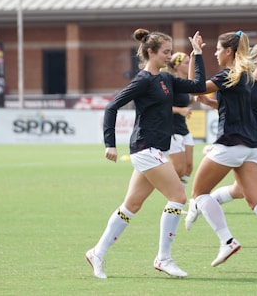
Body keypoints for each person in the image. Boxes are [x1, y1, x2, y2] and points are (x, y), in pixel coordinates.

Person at [85, 29, 206, 279]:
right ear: (151, 52)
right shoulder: (142, 80)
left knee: (132, 205)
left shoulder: (166, 79)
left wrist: (198, 54)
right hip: (145, 148)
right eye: (166, 52)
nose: (169, 56)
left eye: (171, 51)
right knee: (177, 197)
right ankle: (163, 258)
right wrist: (110, 144)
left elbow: (198, 86)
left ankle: (97, 252)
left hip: (155, 149)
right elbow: (111, 107)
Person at [185, 31, 257, 274]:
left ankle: (227, 241)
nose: (214, 53)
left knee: (199, 194)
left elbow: (195, 86)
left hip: (231, 144)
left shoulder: (228, 75)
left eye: (217, 49)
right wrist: (196, 60)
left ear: (228, 52)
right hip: (251, 147)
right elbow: (208, 96)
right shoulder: (246, 76)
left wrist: (196, 54)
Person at [165, 52, 195, 188]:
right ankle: (173, 200)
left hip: (183, 128)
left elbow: (184, 102)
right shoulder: (171, 82)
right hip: (172, 129)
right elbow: (161, 107)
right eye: (186, 63)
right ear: (176, 65)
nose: (189, 65)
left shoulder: (185, 83)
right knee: (179, 170)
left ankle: (179, 198)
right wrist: (180, 110)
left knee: (188, 167)